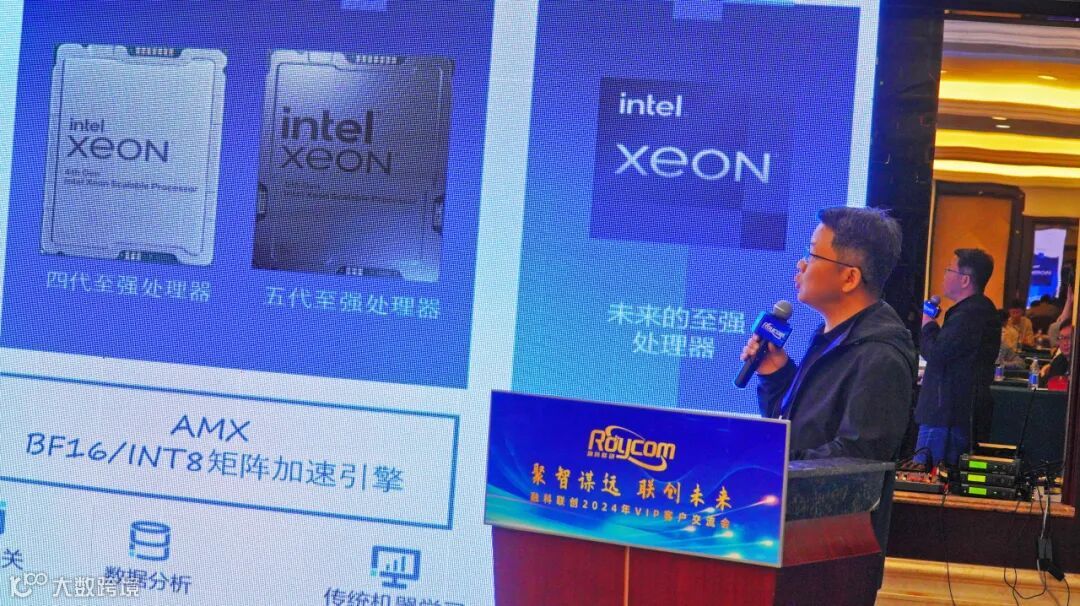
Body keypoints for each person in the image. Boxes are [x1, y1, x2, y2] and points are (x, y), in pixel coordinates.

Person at [742, 207, 917, 461]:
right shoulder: (830, 336)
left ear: (849, 278)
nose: (801, 264)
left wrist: (772, 461)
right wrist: (775, 375)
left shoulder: (880, 356)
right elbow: (794, 430)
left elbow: (855, 461)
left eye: (811, 254)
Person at [912, 249, 1001, 468]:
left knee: (930, 477)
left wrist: (928, 323)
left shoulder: (971, 314)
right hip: (953, 413)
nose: (944, 275)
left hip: (945, 416)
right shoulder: (975, 311)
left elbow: (936, 354)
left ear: (965, 280)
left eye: (949, 270)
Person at [1041, 320, 1072, 389]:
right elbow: (1044, 384)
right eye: (1061, 338)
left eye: (1069, 338)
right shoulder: (1058, 361)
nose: (1065, 343)